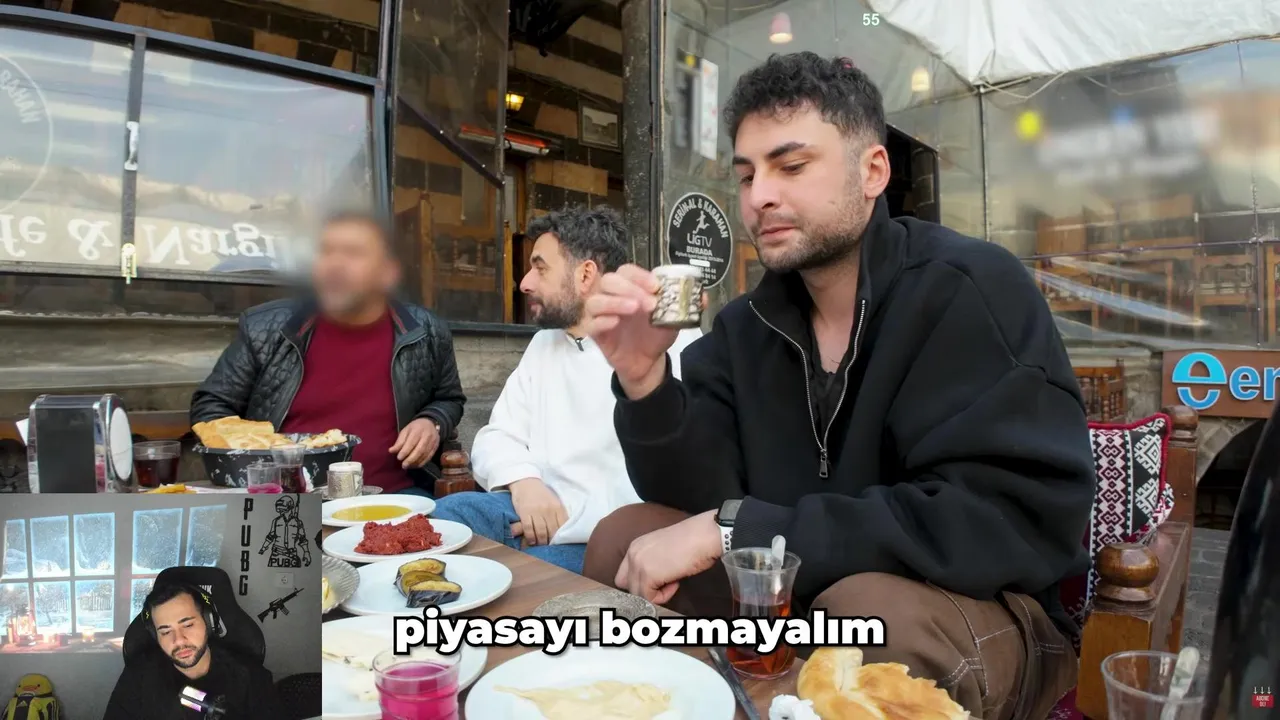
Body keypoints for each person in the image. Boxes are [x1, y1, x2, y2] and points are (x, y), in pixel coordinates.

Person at [580, 52, 1095, 720]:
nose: (759, 196)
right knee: (623, 538)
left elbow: (1003, 521)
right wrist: (645, 379)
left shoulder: (969, 290)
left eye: (791, 166)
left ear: (872, 171)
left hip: (977, 609)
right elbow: (698, 498)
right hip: (794, 595)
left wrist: (742, 528)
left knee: (863, 620)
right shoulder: (744, 327)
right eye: (747, 174)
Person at [431, 206, 701, 574]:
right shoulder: (545, 344)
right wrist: (525, 483)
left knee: (527, 577)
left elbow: (679, 480)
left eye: (540, 268)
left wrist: (564, 525)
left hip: (612, 536)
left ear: (585, 274)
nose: (525, 283)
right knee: (446, 518)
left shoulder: (664, 338)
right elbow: (497, 435)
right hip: (534, 509)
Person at [190, 210, 466, 495]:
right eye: (325, 252)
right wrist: (258, 453)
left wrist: (432, 421)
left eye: (353, 253)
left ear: (388, 272)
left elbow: (449, 399)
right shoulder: (265, 328)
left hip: (395, 496)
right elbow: (211, 408)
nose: (335, 264)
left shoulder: (426, 331)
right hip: (287, 500)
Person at [103, 583, 284, 719]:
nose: (178, 640)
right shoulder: (139, 677)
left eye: (188, 625)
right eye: (165, 632)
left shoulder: (251, 677)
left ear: (209, 622)